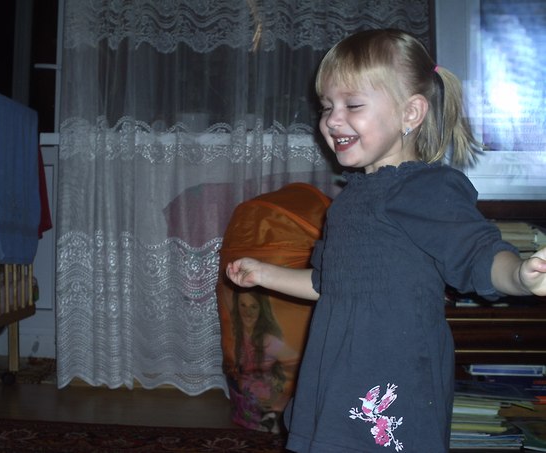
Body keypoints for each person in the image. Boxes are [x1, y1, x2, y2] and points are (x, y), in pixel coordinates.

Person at [225, 29, 546, 452]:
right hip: (335, 374)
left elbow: (479, 254)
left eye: (352, 105)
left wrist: (520, 274)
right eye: (327, 106)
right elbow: (328, 284)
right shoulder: (349, 199)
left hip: (392, 382)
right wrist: (264, 274)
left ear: (410, 113)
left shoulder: (427, 188)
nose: (332, 119)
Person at [227, 290, 299, 433]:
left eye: (254, 306)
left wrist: (280, 396)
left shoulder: (268, 340)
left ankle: (271, 419)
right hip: (245, 400)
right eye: (243, 305)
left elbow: (296, 361)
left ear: (262, 310)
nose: (247, 312)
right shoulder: (240, 333)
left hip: (262, 396)